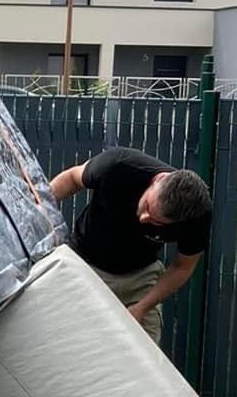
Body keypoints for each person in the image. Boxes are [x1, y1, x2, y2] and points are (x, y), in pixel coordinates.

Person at [50, 146, 211, 344]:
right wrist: (39, 209)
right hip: (85, 262)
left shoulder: (197, 218)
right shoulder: (119, 165)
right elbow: (72, 178)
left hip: (140, 278)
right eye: (148, 206)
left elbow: (183, 267)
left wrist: (141, 308)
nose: (144, 218)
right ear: (158, 180)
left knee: (145, 350)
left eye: (156, 222)